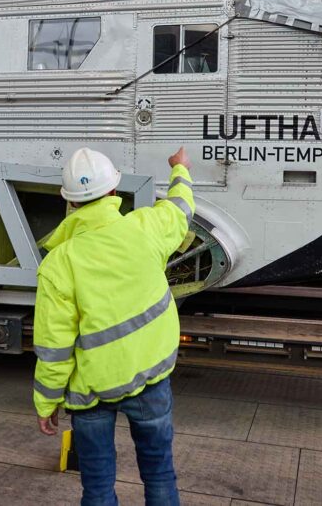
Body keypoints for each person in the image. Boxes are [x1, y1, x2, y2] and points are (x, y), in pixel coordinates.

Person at [33, 146, 195, 506]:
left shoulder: (59, 264)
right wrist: (180, 169)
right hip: (150, 379)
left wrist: (46, 403)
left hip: (91, 392)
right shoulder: (146, 228)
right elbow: (182, 207)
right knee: (159, 474)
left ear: (69, 201)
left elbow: (54, 347)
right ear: (113, 191)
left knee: (98, 486)